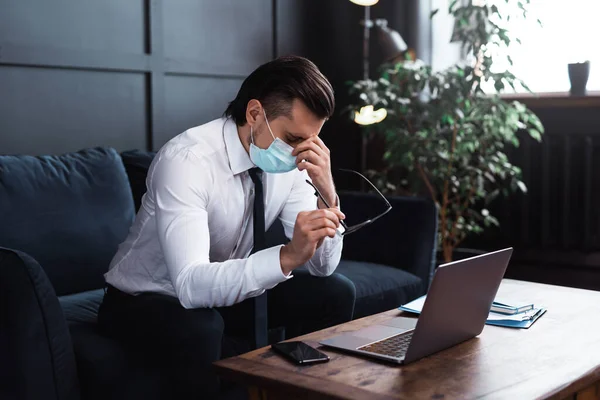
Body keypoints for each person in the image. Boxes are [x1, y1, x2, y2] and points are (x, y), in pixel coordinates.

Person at [98, 55, 356, 398]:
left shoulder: (292, 164)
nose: (299, 154)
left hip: (221, 291)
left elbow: (322, 266)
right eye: (293, 139)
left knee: (336, 292)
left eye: (309, 142)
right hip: (145, 299)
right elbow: (190, 285)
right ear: (254, 114)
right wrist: (286, 257)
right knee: (203, 328)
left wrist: (327, 192)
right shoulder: (187, 160)